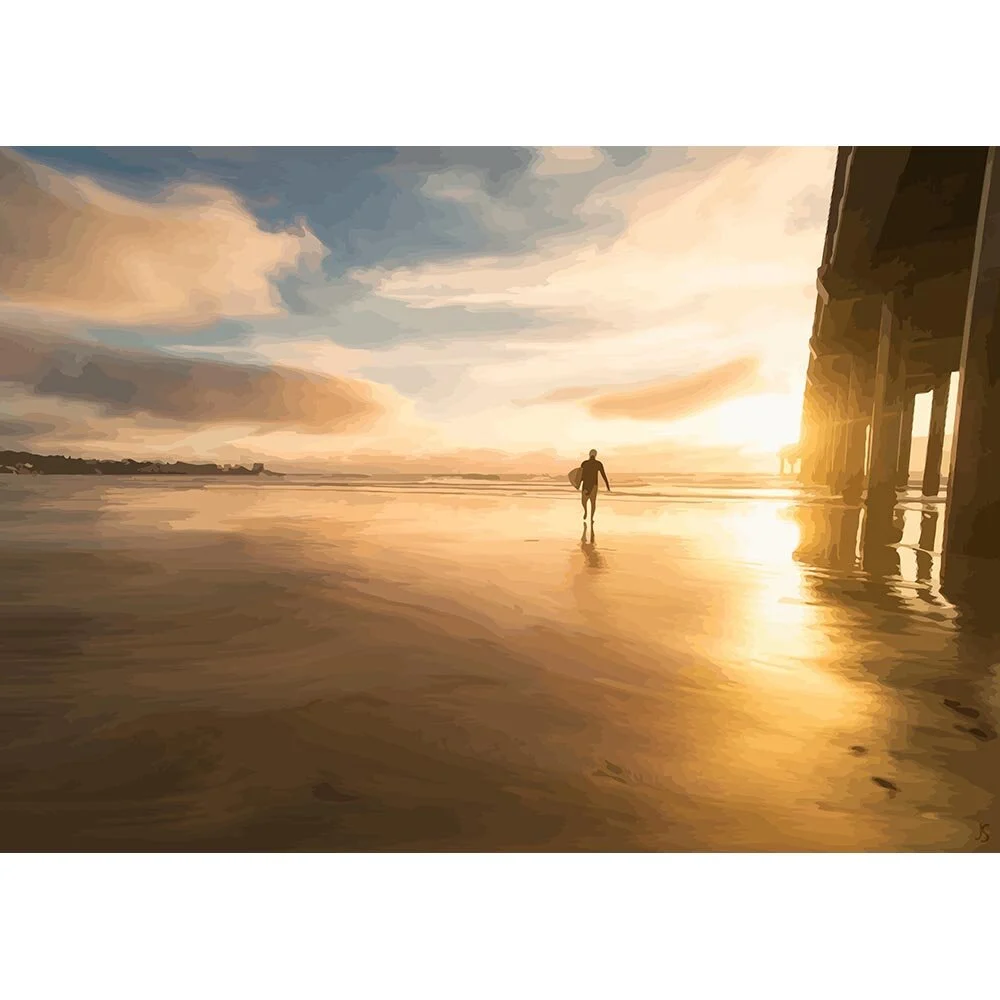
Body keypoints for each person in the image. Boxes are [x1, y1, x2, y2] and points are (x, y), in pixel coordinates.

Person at [579, 449, 611, 521]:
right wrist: (607, 486)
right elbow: (604, 475)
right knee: (593, 502)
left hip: (586, 485)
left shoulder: (584, 463)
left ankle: (586, 512)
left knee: (583, 501)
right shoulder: (598, 463)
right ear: (595, 455)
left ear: (589, 454)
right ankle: (591, 517)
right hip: (594, 485)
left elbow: (580, 476)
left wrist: (578, 484)